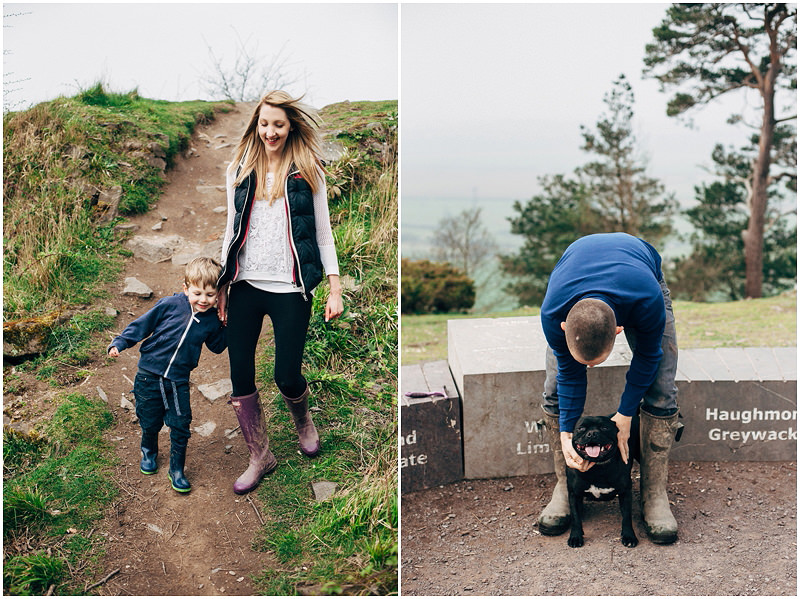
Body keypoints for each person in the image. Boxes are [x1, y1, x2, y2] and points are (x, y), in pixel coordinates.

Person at [217, 90, 343, 495]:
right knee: (240, 376)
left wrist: (334, 287)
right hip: (245, 285)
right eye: (264, 123)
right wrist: (222, 283)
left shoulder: (307, 170)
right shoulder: (238, 167)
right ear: (257, 124)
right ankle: (260, 456)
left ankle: (303, 420)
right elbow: (230, 229)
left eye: (278, 125)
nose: (270, 131)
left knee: (286, 373)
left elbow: (322, 232)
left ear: (291, 128)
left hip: (290, 286)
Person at [537, 232, 681, 544]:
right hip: (573, 272)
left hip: (642, 274)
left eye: (594, 362)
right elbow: (570, 377)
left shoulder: (646, 301)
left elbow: (647, 357)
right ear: (564, 328)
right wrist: (565, 436)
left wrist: (625, 416)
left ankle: (654, 492)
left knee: (662, 385)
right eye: (585, 363)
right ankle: (566, 482)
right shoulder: (553, 314)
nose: (587, 369)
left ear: (619, 331)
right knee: (553, 388)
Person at [108, 257, 227, 494]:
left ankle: (177, 470)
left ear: (218, 295)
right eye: (198, 293)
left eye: (211, 295)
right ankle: (148, 450)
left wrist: (228, 326)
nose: (204, 300)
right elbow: (143, 324)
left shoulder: (211, 320)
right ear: (186, 289)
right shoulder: (170, 305)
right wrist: (120, 342)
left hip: (178, 380)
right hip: (148, 374)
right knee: (149, 419)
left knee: (181, 424)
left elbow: (217, 346)